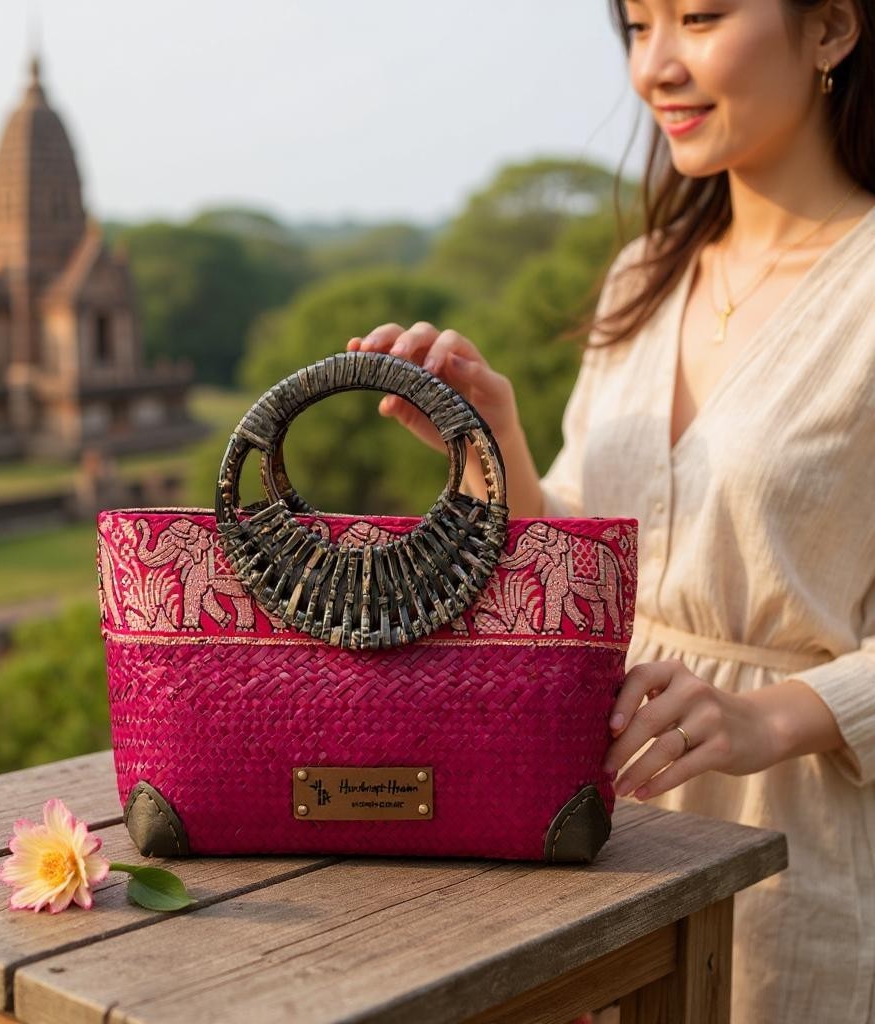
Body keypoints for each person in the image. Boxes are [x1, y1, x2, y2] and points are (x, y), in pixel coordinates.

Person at [346, 0, 875, 1020]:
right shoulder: (644, 276)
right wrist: (491, 444)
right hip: (609, 833)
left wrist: (765, 715)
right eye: (636, 27)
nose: (655, 68)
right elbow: (580, 562)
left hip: (809, 847)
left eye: (700, 17)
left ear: (832, 29)